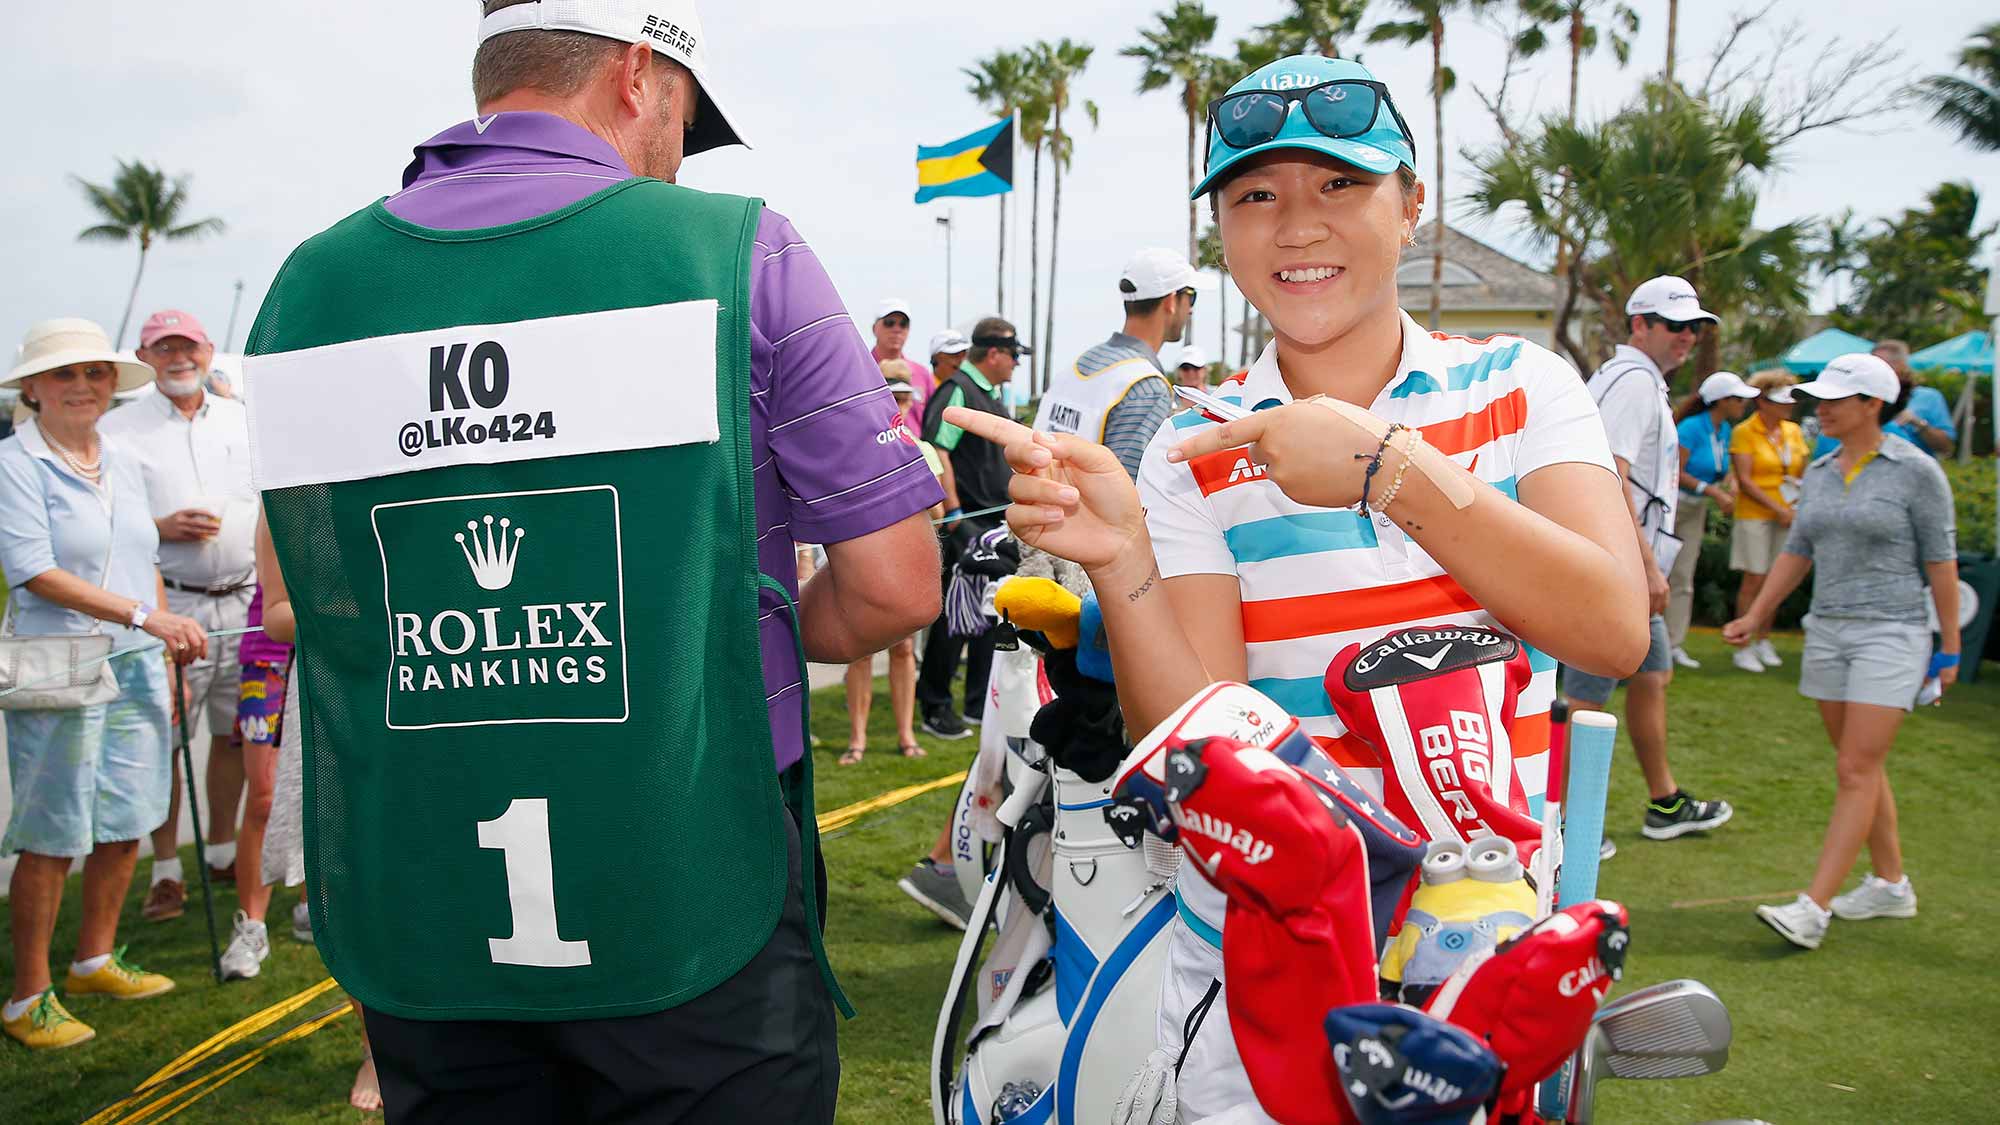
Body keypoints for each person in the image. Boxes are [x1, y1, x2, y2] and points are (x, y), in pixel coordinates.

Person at [243, 2, 942, 1119]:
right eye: (683, 115)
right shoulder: (739, 248)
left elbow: (292, 605)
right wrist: (747, 629)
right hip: (691, 863)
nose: (674, 151)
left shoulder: (309, 286)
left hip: (424, 878)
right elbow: (897, 582)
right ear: (636, 75)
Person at [944, 53, 1648, 1122]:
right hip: (1254, 945)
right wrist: (1122, 556)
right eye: (1254, 196)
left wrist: (1382, 468)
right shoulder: (1190, 445)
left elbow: (1608, 629)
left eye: (1338, 186)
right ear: (1220, 235)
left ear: (1411, 205)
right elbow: (1195, 738)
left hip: (1476, 954)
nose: (1295, 226)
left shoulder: (1518, 385)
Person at [0, 318, 208, 1051]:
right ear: (33, 388)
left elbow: (140, 552)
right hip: (57, 659)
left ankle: (92, 959)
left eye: (94, 373)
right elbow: (34, 569)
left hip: (134, 656)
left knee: (129, 810)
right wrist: (145, 615)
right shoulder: (14, 464)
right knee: (53, 828)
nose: (83, 386)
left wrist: (155, 637)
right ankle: (28, 995)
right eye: (65, 374)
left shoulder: (116, 456)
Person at [1727, 353, 1961, 950]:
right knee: (1861, 764)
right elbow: (1797, 550)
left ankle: (1814, 908)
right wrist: (1756, 616)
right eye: (1819, 398)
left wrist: (1951, 649)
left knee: (1855, 768)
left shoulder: (1917, 471)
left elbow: (1941, 562)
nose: (1820, 408)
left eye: (1834, 399)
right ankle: (1890, 885)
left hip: (1895, 632)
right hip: (1826, 630)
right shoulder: (1825, 469)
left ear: (1872, 405)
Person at [1561, 276, 1734, 845]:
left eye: (1694, 328)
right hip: (1615, 567)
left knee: (1651, 675)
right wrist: (1647, 567)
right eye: (1675, 325)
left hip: (1621, 562)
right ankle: (1564, 824)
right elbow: (1608, 475)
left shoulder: (1635, 380)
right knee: (1588, 693)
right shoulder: (1633, 381)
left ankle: (1663, 802)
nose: (1687, 337)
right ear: (1641, 325)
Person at [99, 308, 257, 920]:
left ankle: (219, 851)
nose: (177, 358)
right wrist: (161, 528)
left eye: (186, 347)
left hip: (242, 599)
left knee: (231, 733)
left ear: (208, 349)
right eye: (162, 349)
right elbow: (107, 520)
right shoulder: (119, 429)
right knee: (164, 739)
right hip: (170, 602)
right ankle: (165, 869)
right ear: (146, 359)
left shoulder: (243, 422)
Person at [251, 512, 381, 1110]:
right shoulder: (288, 491)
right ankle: (377, 1050)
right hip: (337, 687)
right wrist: (358, 618)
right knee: (352, 877)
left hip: (436, 667)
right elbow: (276, 613)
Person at [917, 315, 1030, 738]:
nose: (1017, 363)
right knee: (953, 618)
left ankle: (977, 704)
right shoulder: (957, 392)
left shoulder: (989, 395)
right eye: (1014, 355)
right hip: (966, 524)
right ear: (995, 352)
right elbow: (937, 450)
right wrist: (954, 513)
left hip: (993, 523)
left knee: (990, 615)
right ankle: (935, 706)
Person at [842, 369, 957, 765]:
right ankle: (857, 740)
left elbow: (939, 509)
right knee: (859, 649)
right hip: (866, 557)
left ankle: (906, 735)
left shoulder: (920, 448)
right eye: (894, 396)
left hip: (906, 558)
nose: (901, 404)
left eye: (906, 398)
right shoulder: (857, 447)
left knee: (904, 649)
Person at [1033, 248, 1205, 477]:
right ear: (1171, 300)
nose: (1191, 309)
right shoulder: (1146, 386)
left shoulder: (1079, 365)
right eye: (1191, 296)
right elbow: (1127, 489)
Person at [214, 519, 296, 982]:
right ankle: (252, 926)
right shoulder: (277, 492)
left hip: (331, 654)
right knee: (263, 796)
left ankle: (314, 907)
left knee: (328, 789)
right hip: (267, 654)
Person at [1666, 371, 1757, 668]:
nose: (1743, 404)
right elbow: (1675, 471)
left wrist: (1729, 483)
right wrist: (1712, 491)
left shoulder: (1724, 429)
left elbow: (1720, 466)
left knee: (1683, 576)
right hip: (1673, 506)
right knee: (1658, 572)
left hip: (1697, 508)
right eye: (1738, 399)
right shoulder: (1692, 427)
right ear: (1722, 401)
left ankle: (1672, 644)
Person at [1727, 369, 1813, 674]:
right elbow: (1746, 480)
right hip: (1755, 515)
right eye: (1781, 400)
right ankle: (1743, 644)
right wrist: (1778, 509)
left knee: (1776, 579)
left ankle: (1763, 639)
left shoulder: (1793, 431)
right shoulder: (1744, 431)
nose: (1789, 406)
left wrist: (1792, 507)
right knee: (1754, 579)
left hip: (1788, 514)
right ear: (1762, 401)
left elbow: (1800, 471)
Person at [1874, 340, 1956, 458]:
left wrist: (1918, 423)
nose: (1878, 371)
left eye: (1885, 365)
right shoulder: (1865, 398)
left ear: (1902, 365)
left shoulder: (1929, 397)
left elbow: (1946, 447)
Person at [871, 298, 934, 417]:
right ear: (874, 328)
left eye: (903, 324)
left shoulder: (922, 374)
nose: (897, 329)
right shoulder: (860, 371)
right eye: (889, 323)